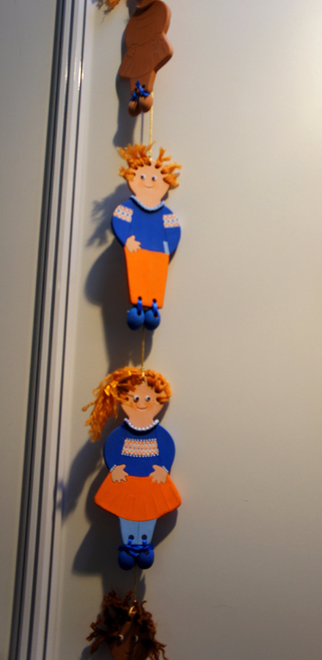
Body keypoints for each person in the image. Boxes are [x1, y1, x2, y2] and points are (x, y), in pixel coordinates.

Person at [83, 367, 181, 570]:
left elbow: (167, 450)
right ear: (123, 399)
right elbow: (112, 449)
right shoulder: (120, 434)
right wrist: (114, 469)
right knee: (126, 512)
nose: (142, 403)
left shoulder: (159, 434)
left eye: (148, 398)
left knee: (150, 512)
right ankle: (129, 545)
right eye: (135, 399)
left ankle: (144, 544)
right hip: (125, 480)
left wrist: (163, 469)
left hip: (152, 481)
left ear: (160, 399)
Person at [101, 0, 188, 116]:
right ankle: (136, 96)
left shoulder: (159, 8)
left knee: (147, 66)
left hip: (152, 45)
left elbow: (160, 23)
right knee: (137, 68)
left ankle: (142, 94)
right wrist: (133, 44)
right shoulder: (137, 17)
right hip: (137, 49)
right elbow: (130, 34)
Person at [112, 143, 181, 330]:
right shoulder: (128, 208)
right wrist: (126, 240)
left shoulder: (166, 214)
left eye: (154, 178)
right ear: (132, 178)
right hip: (135, 252)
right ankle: (140, 304)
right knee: (138, 283)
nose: (148, 182)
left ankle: (153, 305)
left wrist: (166, 248)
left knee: (155, 285)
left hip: (159, 254)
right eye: (142, 177)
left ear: (165, 182)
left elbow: (174, 231)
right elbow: (119, 220)